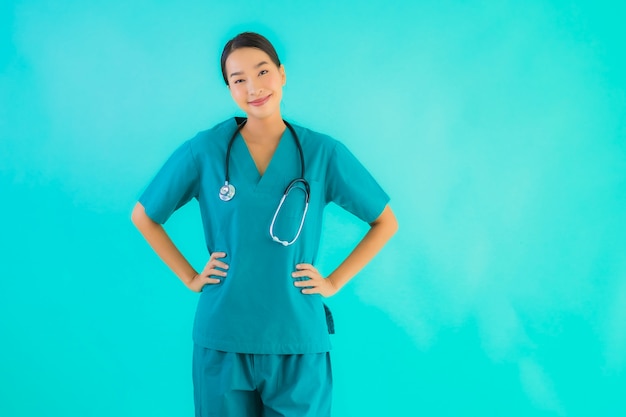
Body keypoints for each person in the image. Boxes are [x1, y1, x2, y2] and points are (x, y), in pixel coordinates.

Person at [131, 31, 398, 417]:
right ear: (229, 88)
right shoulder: (206, 150)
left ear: (282, 73)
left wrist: (334, 281)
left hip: (297, 339)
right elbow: (145, 215)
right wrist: (191, 277)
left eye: (262, 72)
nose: (253, 87)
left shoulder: (322, 153)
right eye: (238, 79)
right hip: (223, 337)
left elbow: (384, 221)